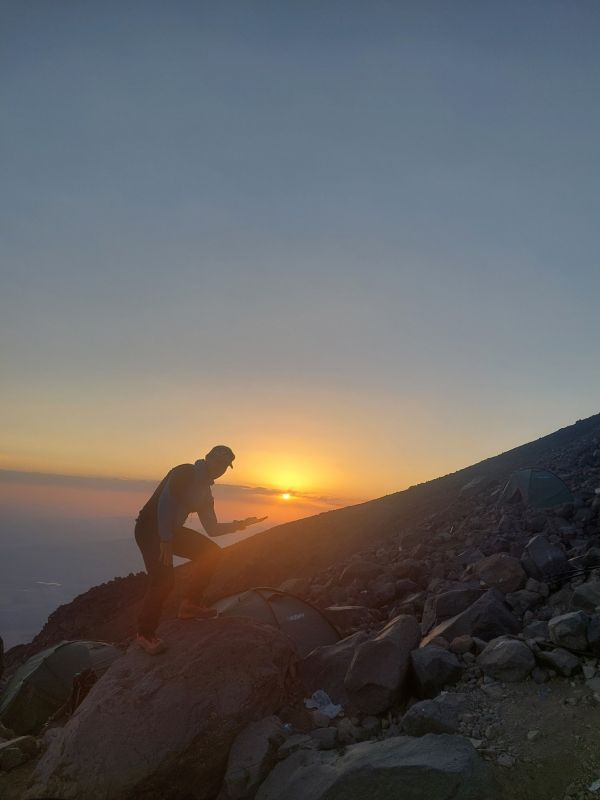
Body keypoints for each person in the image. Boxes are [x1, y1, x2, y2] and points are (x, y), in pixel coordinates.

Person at [134, 445, 266, 654]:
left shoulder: (206, 493)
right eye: (218, 462)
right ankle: (145, 634)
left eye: (225, 465)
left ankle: (190, 605)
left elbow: (212, 529)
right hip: (150, 528)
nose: (221, 468)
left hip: (171, 531)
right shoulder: (185, 472)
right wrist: (165, 540)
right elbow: (166, 503)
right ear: (207, 458)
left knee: (211, 553)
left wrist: (241, 524)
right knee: (163, 580)